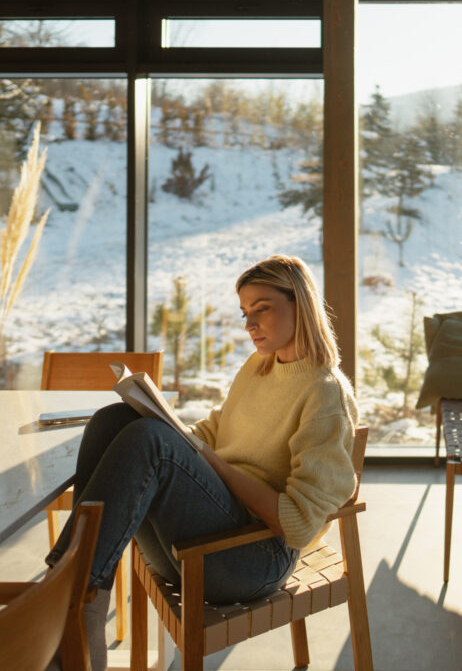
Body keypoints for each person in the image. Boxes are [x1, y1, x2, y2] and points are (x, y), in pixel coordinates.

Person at [45, 254, 359, 671]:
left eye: (261, 310)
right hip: (193, 549)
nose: (249, 326)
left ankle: (70, 601)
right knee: (114, 418)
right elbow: (216, 430)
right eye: (245, 312)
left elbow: (300, 525)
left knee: (150, 441)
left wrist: (207, 461)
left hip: (251, 561)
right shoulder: (260, 367)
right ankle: (76, 586)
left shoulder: (324, 395)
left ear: (299, 304)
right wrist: (161, 416)